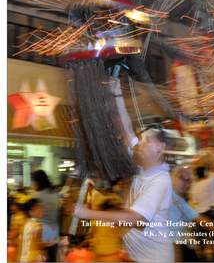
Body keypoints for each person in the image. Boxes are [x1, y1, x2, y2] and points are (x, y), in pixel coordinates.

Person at [74, 78, 175, 262]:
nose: (140, 143)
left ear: (160, 147)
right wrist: (117, 91)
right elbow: (126, 128)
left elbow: (135, 218)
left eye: (146, 140)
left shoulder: (160, 181)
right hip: (134, 257)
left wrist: (87, 213)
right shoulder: (142, 165)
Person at [31, 170, 60, 262]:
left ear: (37, 182)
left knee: (41, 259)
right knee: (52, 258)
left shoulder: (36, 195)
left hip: (40, 233)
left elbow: (34, 215)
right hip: (54, 232)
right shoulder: (55, 194)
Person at [20, 198, 47, 262]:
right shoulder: (37, 225)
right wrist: (50, 244)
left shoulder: (23, 222)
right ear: (30, 212)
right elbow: (37, 244)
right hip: (32, 258)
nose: (40, 210)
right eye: (37, 208)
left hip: (21, 257)